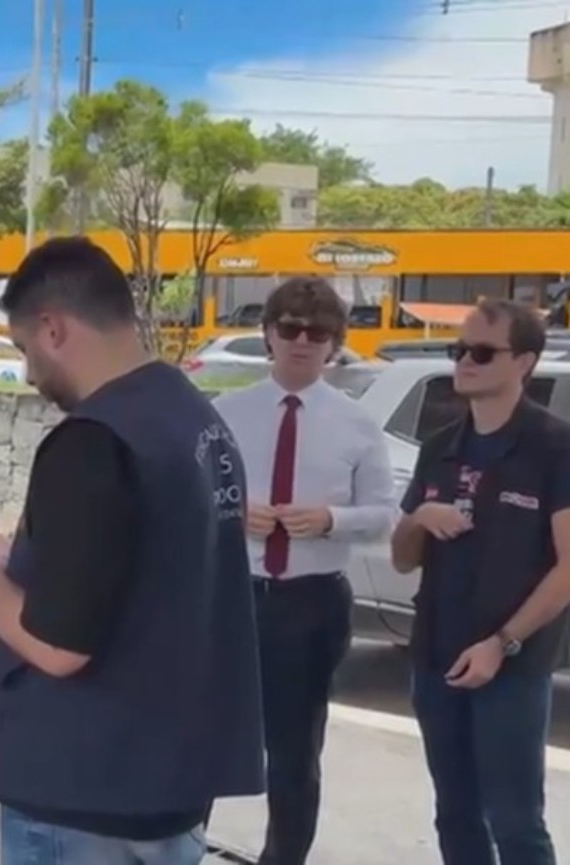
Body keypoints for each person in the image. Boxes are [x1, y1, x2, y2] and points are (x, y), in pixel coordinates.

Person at [0, 237, 265, 865]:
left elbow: (60, 648)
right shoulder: (192, 416)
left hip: (83, 791)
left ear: (53, 328)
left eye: (24, 350)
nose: (29, 375)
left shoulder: (93, 438)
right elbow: (151, 556)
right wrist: (27, 554)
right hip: (170, 780)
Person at [211, 277, 395, 865]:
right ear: (269, 334)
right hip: (232, 597)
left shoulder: (357, 424)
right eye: (289, 329)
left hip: (310, 603)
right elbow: (187, 496)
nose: (301, 342)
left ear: (334, 344)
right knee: (204, 737)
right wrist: (233, 513)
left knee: (294, 754)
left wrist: (330, 520)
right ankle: (175, 849)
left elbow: (384, 517)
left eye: (316, 333)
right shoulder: (224, 414)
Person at [391, 298, 570, 865]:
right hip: (436, 658)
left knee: (515, 821)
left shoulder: (554, 446)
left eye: (483, 352)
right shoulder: (441, 446)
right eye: (459, 350)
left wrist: (502, 643)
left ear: (525, 362)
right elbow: (402, 559)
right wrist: (418, 519)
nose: (465, 361)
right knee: (455, 814)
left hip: (510, 668)